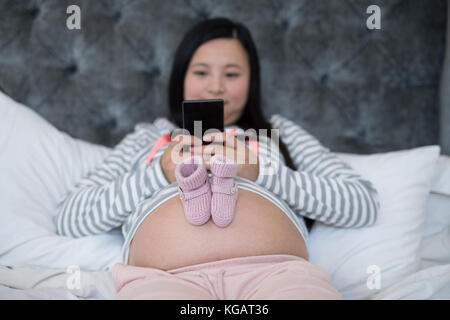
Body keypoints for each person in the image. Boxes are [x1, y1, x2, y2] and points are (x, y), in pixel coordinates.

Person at [54, 17, 380, 300]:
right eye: (201, 72)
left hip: (279, 274)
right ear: (181, 77)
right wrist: (159, 175)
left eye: (232, 74)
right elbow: (70, 216)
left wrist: (262, 173)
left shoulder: (279, 133)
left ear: (251, 82)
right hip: (163, 279)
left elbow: (362, 203)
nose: (215, 86)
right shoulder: (149, 137)